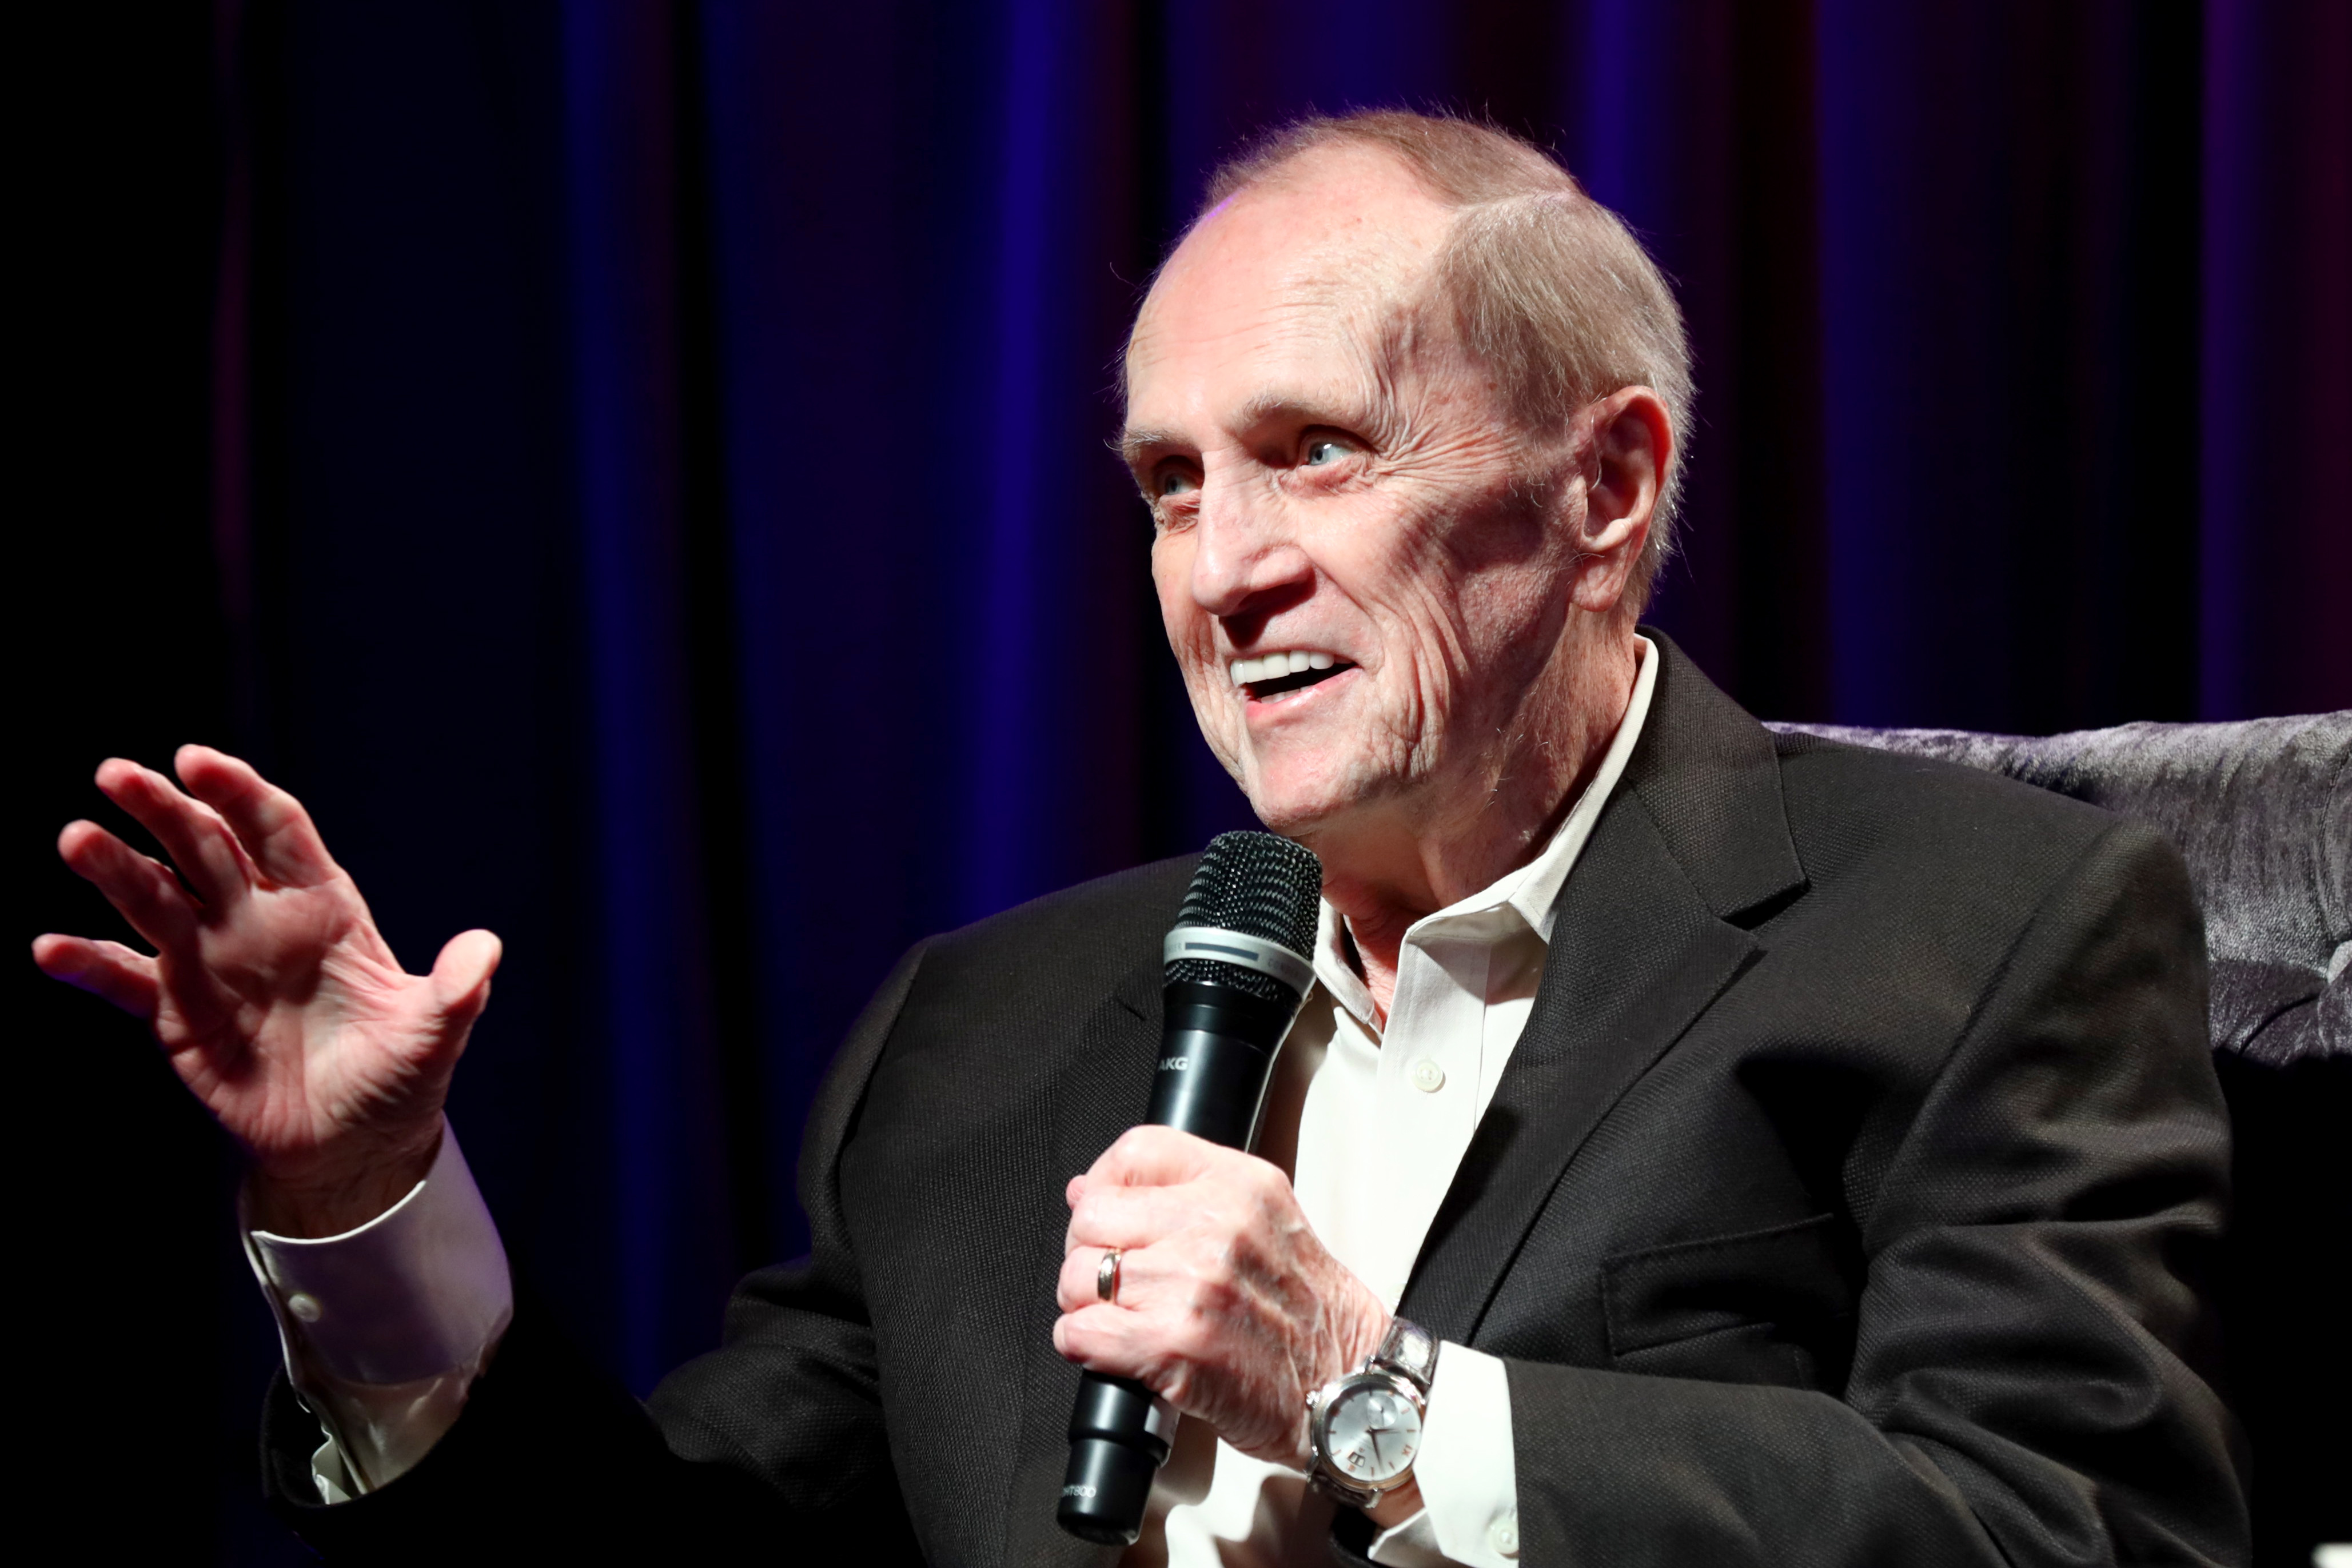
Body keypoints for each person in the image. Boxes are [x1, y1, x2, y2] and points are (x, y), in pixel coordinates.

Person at [35, 111, 2245, 1567]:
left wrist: (1374, 1403)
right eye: (1172, 484)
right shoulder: (984, 1023)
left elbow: (2074, 1528)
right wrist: (360, 1206)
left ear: (1605, 489)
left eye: (1310, 454)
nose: (1223, 568)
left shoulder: (1979, 926)